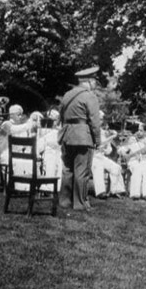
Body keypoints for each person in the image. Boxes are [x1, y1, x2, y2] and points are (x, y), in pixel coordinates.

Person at [58, 66, 103, 211]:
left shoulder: (67, 95)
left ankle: (65, 201)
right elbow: (95, 122)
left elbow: (61, 116)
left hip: (67, 135)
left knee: (67, 169)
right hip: (83, 137)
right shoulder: (90, 96)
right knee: (82, 171)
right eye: (95, 81)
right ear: (89, 81)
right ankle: (80, 203)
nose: (95, 84)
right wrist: (97, 140)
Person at [91, 123, 125, 198]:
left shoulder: (106, 137)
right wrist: (111, 137)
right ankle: (100, 192)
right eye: (104, 128)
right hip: (93, 157)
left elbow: (108, 151)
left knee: (116, 167)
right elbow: (98, 144)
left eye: (107, 129)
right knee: (98, 168)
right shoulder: (94, 134)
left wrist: (106, 146)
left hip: (102, 157)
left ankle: (116, 190)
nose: (106, 130)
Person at [120, 133, 146, 200]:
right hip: (133, 161)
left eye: (134, 139)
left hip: (143, 161)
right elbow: (122, 152)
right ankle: (135, 194)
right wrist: (127, 152)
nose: (133, 140)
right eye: (131, 139)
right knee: (137, 170)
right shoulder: (127, 146)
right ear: (128, 140)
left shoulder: (142, 145)